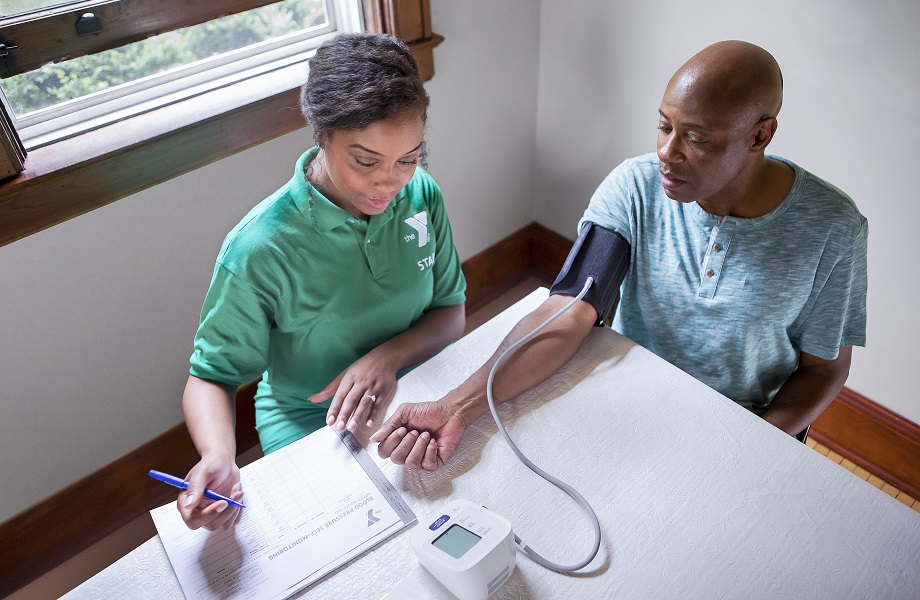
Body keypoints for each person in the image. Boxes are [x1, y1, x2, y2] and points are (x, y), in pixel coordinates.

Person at [371, 40, 868, 470]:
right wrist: (456, 407)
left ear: (759, 135)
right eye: (664, 126)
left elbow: (823, 370)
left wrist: (751, 449)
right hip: (629, 405)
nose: (667, 152)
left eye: (695, 138)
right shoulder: (636, 187)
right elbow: (567, 311)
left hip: (741, 429)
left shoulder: (833, 228)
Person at [178, 32, 467, 529]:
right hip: (312, 418)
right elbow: (212, 375)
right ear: (321, 134)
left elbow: (451, 311)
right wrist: (218, 455)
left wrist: (386, 358)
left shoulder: (421, 194)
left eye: (408, 158)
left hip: (417, 387)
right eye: (365, 161)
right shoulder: (259, 247)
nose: (390, 182)